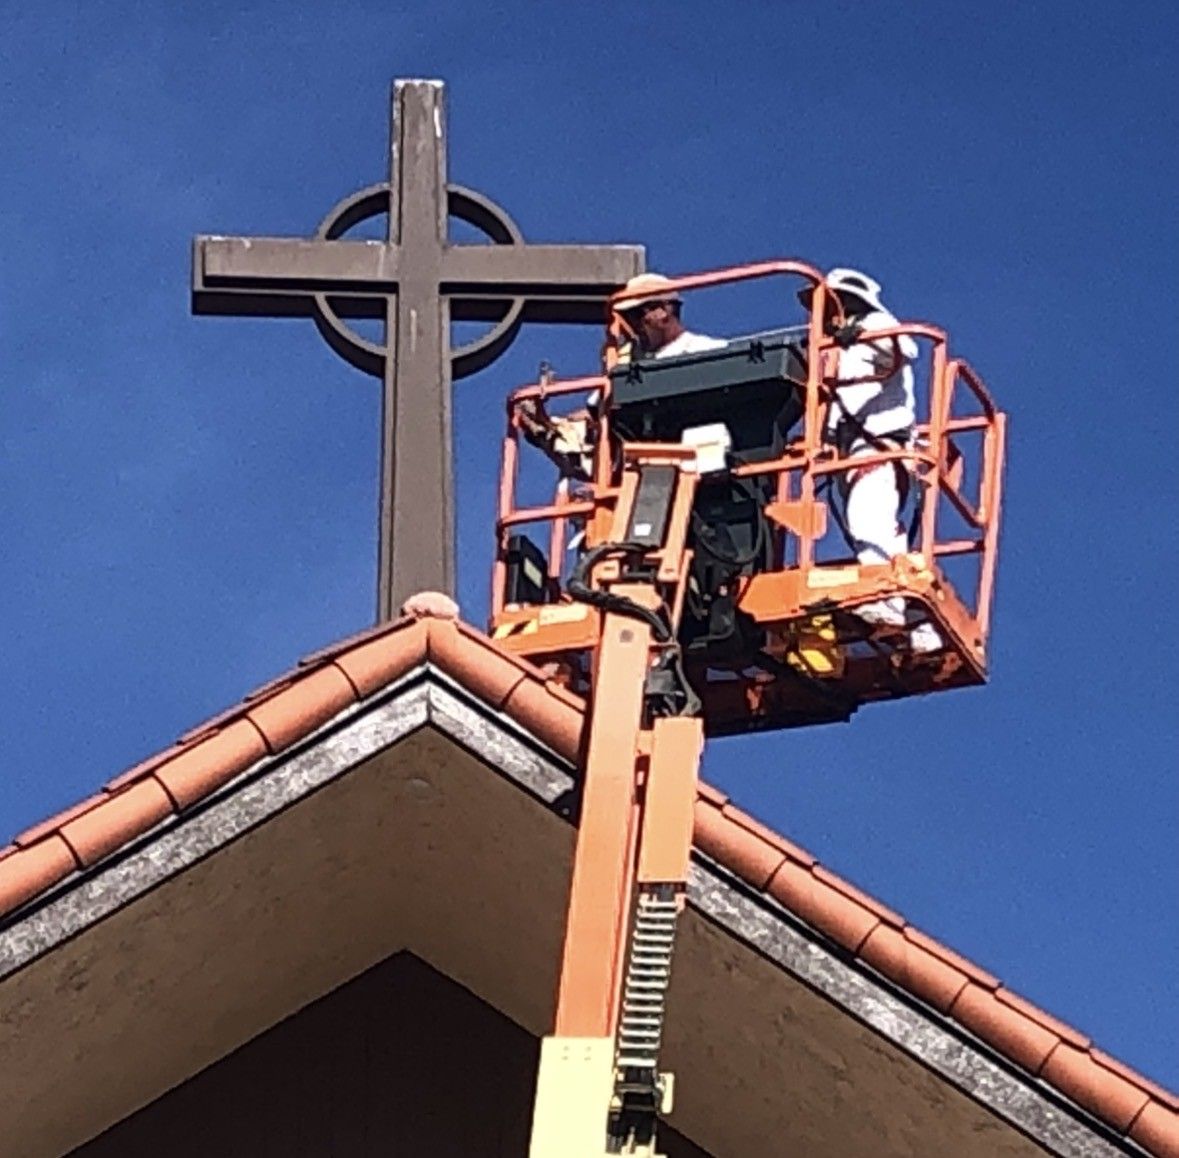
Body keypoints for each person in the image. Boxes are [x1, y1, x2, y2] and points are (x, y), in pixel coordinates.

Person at [800, 268, 940, 654]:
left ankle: (885, 602)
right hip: (853, 450)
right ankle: (919, 620)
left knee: (869, 523)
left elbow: (906, 348)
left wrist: (861, 332)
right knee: (887, 536)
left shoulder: (876, 326)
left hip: (880, 447)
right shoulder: (838, 352)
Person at [517, 272, 725, 472]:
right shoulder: (628, 362)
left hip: (696, 460)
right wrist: (545, 421)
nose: (631, 327)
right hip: (644, 468)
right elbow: (599, 412)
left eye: (635, 315)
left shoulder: (709, 352)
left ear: (662, 311)